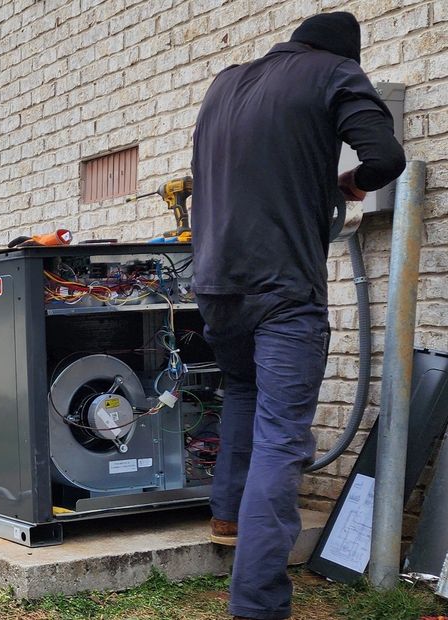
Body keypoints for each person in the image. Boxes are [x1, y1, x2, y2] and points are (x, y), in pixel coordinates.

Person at [190, 12, 405, 620]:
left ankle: (227, 519)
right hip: (284, 288)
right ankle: (258, 605)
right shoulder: (336, 74)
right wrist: (354, 181)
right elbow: (386, 157)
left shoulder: (224, 83)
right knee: (282, 437)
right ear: (346, 54)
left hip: (216, 282)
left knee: (241, 393)